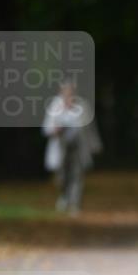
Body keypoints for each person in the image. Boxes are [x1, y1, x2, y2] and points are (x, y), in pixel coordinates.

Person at [42, 80, 102, 214]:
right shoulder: (54, 106)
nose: (69, 93)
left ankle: (75, 203)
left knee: (77, 174)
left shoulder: (83, 106)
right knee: (62, 176)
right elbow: (46, 128)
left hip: (78, 147)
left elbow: (90, 128)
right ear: (61, 92)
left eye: (71, 91)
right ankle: (64, 196)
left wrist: (95, 145)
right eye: (66, 91)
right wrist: (54, 130)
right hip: (61, 146)